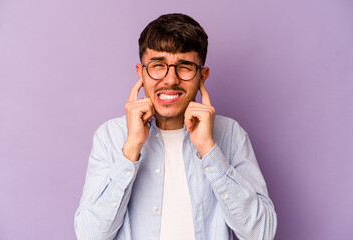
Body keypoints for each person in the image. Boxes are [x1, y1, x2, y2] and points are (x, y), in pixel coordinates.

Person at [74, 13, 277, 240]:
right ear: (141, 73)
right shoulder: (110, 136)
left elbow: (262, 234)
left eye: (185, 66)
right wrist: (131, 148)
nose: (170, 79)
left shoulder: (230, 134)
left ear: (203, 76)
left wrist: (209, 150)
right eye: (158, 65)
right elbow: (89, 236)